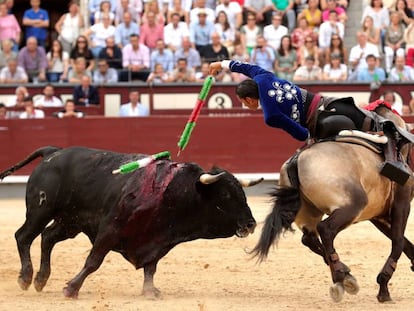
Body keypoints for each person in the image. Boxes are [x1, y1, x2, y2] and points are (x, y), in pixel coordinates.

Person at [208, 59, 412, 184]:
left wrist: (310, 139)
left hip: (320, 124)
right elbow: (243, 66)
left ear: (249, 99)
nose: (246, 106)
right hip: (327, 103)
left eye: (244, 103)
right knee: (371, 121)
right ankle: (396, 158)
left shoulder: (270, 115)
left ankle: (392, 164)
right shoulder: (262, 75)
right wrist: (222, 64)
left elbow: (299, 132)